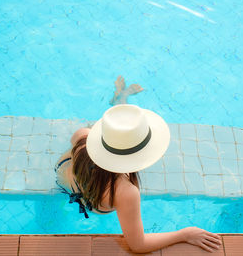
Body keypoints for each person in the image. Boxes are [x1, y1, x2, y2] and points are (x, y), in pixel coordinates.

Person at [55, 76, 222, 253]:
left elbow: (109, 146)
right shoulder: (125, 192)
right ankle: (121, 101)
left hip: (63, 176)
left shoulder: (83, 137)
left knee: (120, 134)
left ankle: (120, 101)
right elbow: (138, 245)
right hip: (92, 205)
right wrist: (185, 234)